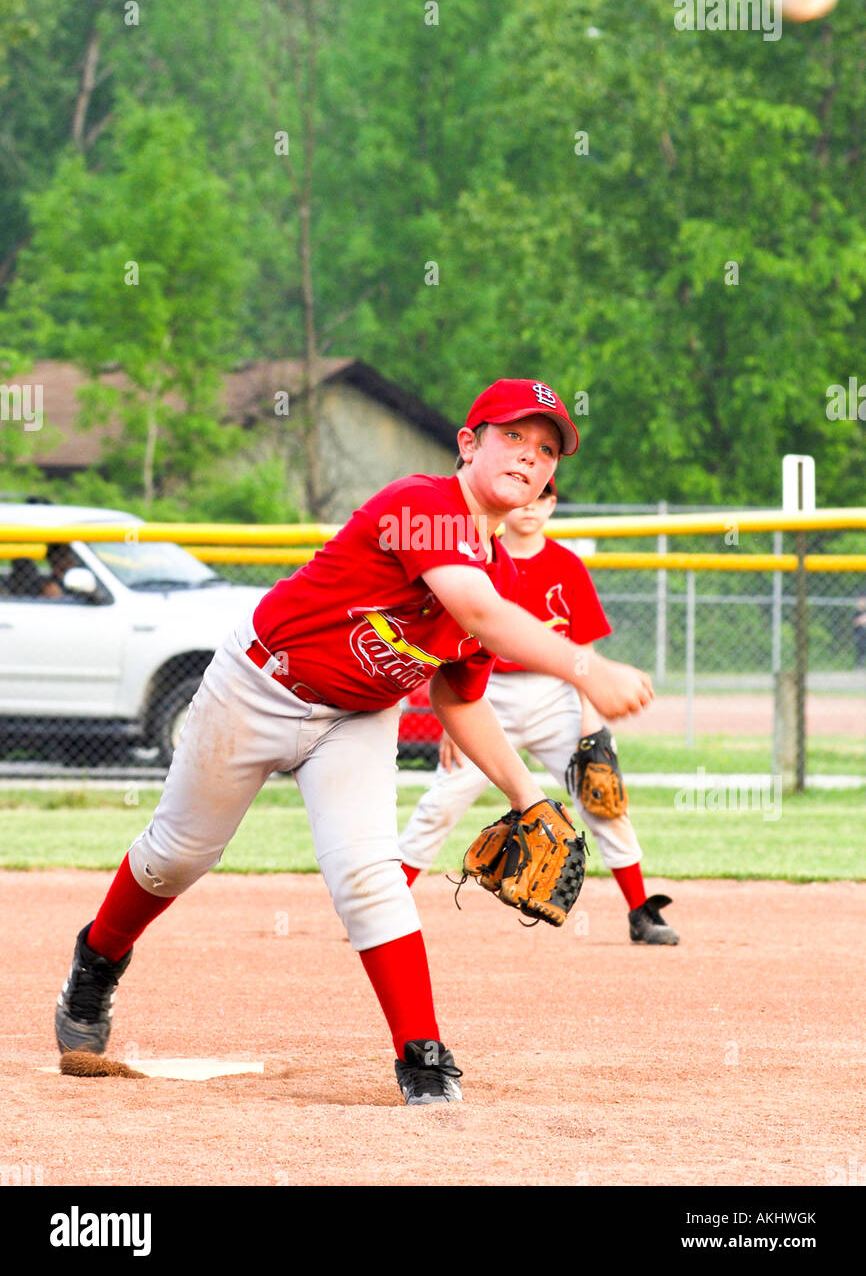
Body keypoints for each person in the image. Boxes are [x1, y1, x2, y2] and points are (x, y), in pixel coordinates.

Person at [54, 379, 653, 1105]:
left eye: (547, 450)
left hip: (356, 718)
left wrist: (527, 797)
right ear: (468, 444)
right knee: (176, 857)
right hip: (258, 686)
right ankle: (99, 959)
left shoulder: (501, 577)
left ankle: (423, 1059)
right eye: (512, 436)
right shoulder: (423, 505)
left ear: (551, 477)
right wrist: (588, 666)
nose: (529, 456)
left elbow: (459, 698)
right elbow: (474, 610)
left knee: (369, 878)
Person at [399, 478, 679, 945]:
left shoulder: (567, 565)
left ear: (552, 505)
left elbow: (583, 649)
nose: (531, 506)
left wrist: (591, 722)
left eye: (544, 497)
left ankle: (640, 911)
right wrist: (453, 721)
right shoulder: (478, 561)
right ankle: (386, 906)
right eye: (525, 496)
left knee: (601, 800)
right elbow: (451, 644)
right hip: (486, 696)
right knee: (442, 800)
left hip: (557, 696)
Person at [854, 597, 866, 669]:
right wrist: (862, 619)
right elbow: (854, 622)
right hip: (860, 635)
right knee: (860, 650)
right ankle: (859, 666)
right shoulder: (856, 612)